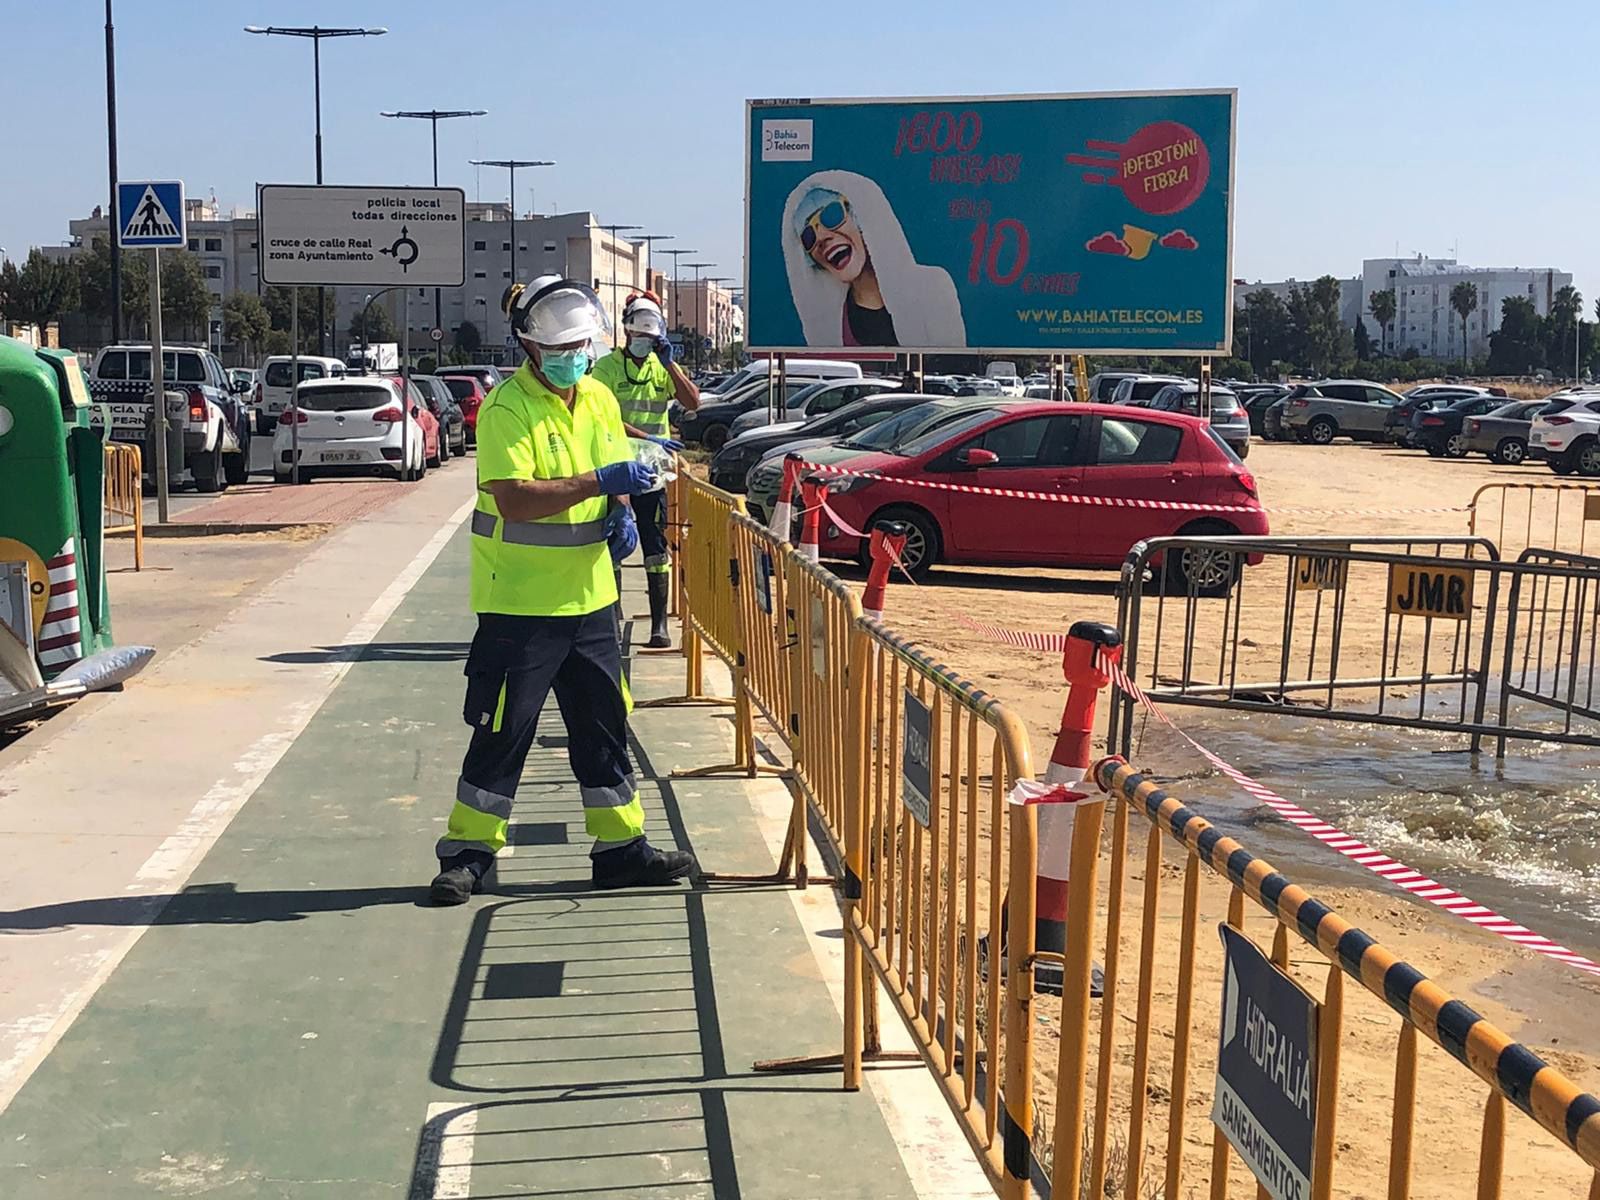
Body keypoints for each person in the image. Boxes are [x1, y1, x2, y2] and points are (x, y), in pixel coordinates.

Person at [429, 276, 697, 905]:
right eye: (563, 348)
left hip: (593, 600)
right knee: (504, 729)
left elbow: (616, 471)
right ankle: (468, 853)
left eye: (582, 345)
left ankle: (621, 850)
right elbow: (516, 499)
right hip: (520, 604)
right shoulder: (506, 409)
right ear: (529, 347)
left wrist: (621, 506)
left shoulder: (599, 397)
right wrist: (599, 482)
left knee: (605, 726)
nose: (574, 357)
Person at [590, 293, 699, 648]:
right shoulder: (606, 368)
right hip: (617, 465)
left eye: (650, 339)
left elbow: (692, 402)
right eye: (639, 337)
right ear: (626, 333)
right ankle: (612, 616)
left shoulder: (659, 366)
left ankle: (659, 626)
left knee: (655, 546)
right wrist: (649, 436)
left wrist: (671, 365)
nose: (644, 344)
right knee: (616, 541)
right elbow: (604, 417)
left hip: (652, 470)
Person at [781, 169, 967, 350]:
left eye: (831, 215)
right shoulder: (834, 325)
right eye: (808, 237)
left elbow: (950, 363)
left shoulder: (932, 287)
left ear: (862, 216)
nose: (821, 238)